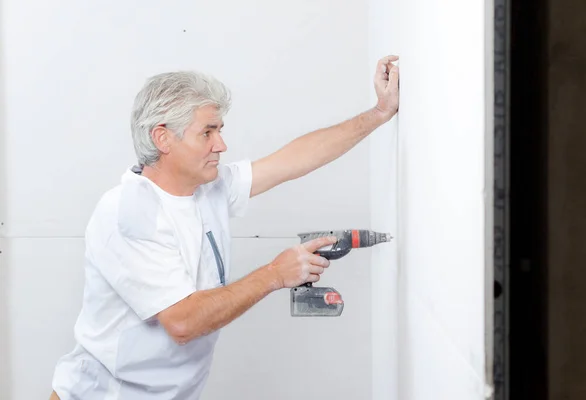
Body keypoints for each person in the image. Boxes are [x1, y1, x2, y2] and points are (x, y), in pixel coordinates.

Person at [49, 55, 399, 400]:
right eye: (207, 132)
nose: (221, 144)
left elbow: (294, 159)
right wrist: (276, 273)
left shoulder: (208, 187)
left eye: (219, 130)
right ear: (163, 138)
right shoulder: (128, 214)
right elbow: (183, 322)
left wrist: (378, 113)